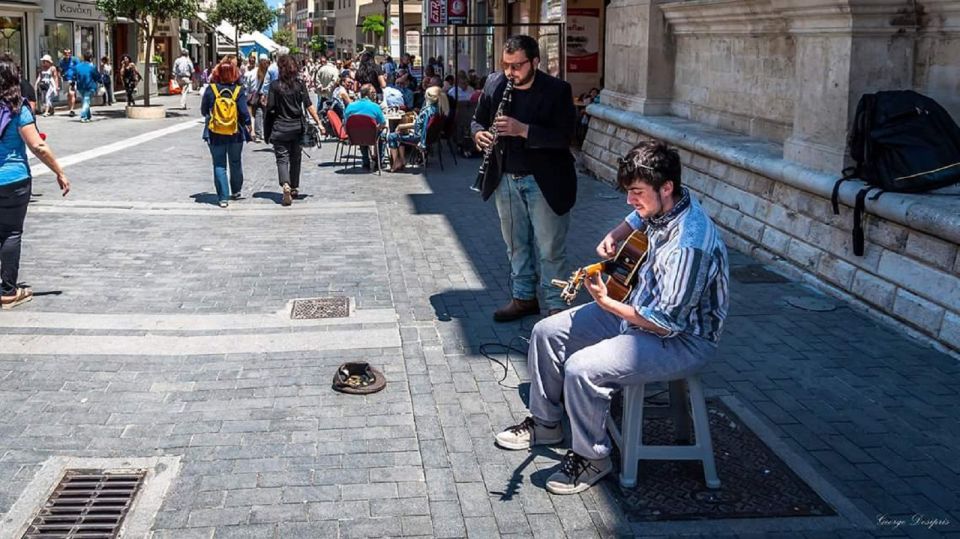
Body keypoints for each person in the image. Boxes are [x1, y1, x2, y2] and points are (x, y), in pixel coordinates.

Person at [493, 141, 730, 495]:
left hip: (680, 339)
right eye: (628, 191)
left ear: (666, 188)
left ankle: (594, 458)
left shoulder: (689, 245)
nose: (630, 200)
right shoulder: (666, 202)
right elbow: (638, 216)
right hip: (636, 308)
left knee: (581, 368)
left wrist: (607, 302)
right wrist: (616, 234)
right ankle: (546, 424)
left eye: (636, 192)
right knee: (546, 331)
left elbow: (666, 322)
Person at [471, 35, 578, 321]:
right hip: (505, 179)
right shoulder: (495, 83)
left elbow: (567, 137)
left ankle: (556, 306)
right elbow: (477, 120)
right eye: (506, 65)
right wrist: (478, 134)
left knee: (550, 249)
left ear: (535, 62)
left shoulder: (557, 90)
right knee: (516, 245)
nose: (510, 72)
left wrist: (523, 130)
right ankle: (523, 298)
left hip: (545, 182)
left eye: (517, 66)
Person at [0, 54, 70, 309]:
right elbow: (38, 145)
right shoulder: (18, 108)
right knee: (10, 233)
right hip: (13, 179)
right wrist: (59, 171)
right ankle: (7, 290)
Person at [264, 54, 323, 207]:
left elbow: (270, 108)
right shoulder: (300, 85)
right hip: (297, 127)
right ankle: (294, 187)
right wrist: (319, 123)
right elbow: (309, 105)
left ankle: (285, 185)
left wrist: (267, 129)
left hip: (279, 127)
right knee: (296, 158)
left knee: (282, 159)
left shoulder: (275, 86)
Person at [201, 58, 252, 208]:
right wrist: (248, 124)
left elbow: (204, 111)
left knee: (219, 164)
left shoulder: (212, 89)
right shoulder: (238, 90)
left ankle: (223, 198)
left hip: (215, 133)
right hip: (235, 132)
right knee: (235, 161)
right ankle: (236, 191)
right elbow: (244, 112)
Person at [386, 85, 446, 172]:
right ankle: (402, 160)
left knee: (391, 136)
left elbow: (425, 127)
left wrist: (422, 143)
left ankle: (396, 162)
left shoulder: (427, 110)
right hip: (430, 137)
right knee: (402, 132)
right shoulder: (438, 109)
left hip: (419, 137)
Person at [343, 83, 386, 170]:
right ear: (370, 94)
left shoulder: (350, 106)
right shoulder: (375, 106)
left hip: (355, 137)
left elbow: (345, 123)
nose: (375, 95)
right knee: (382, 134)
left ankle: (365, 161)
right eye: (374, 93)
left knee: (361, 131)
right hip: (372, 136)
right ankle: (380, 161)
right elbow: (383, 123)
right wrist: (376, 128)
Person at [74, 53, 101, 123]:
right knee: (86, 101)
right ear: (90, 58)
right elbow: (97, 76)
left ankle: (88, 116)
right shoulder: (92, 67)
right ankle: (83, 116)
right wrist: (100, 81)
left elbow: (74, 76)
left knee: (85, 101)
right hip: (90, 86)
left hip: (80, 86)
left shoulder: (77, 66)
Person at [58, 49, 79, 116]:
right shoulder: (62, 61)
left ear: (70, 53)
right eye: (65, 53)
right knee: (68, 95)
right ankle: (70, 108)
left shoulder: (74, 60)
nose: (67, 54)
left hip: (72, 79)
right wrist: (60, 74)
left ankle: (72, 109)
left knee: (71, 93)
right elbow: (60, 69)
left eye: (68, 53)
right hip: (65, 79)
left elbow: (78, 68)